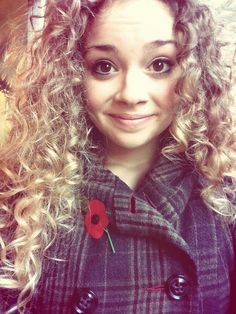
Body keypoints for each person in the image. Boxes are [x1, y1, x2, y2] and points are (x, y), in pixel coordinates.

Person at [1, 0, 235, 313]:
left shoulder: (223, 202)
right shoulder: (21, 207)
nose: (131, 94)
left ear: (193, 72)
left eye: (160, 64)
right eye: (104, 67)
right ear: (71, 76)